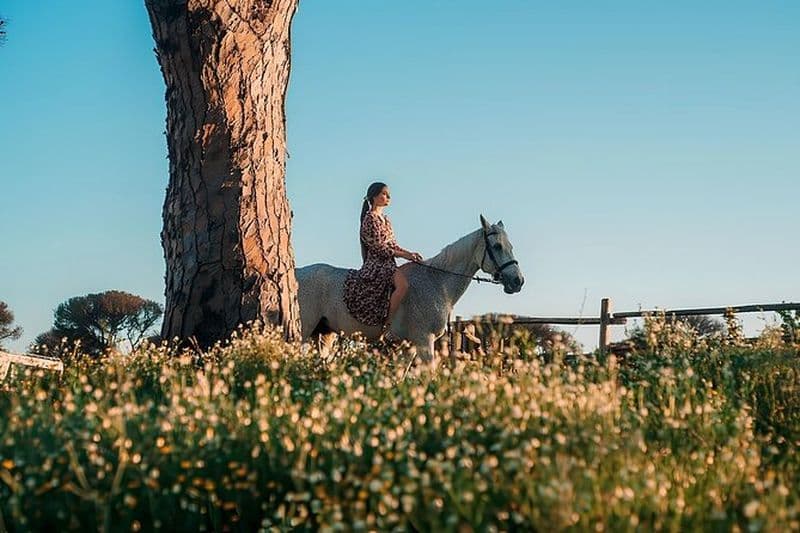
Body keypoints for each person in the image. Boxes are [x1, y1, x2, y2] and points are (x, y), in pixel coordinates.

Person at [343, 182, 423, 334]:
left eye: (388, 194)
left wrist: (410, 254)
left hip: (389, 262)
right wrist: (405, 255)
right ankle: (388, 323)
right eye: (384, 194)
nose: (388, 197)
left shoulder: (386, 220)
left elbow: (393, 245)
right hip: (377, 264)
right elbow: (379, 247)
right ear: (374, 197)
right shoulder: (370, 219)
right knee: (403, 285)